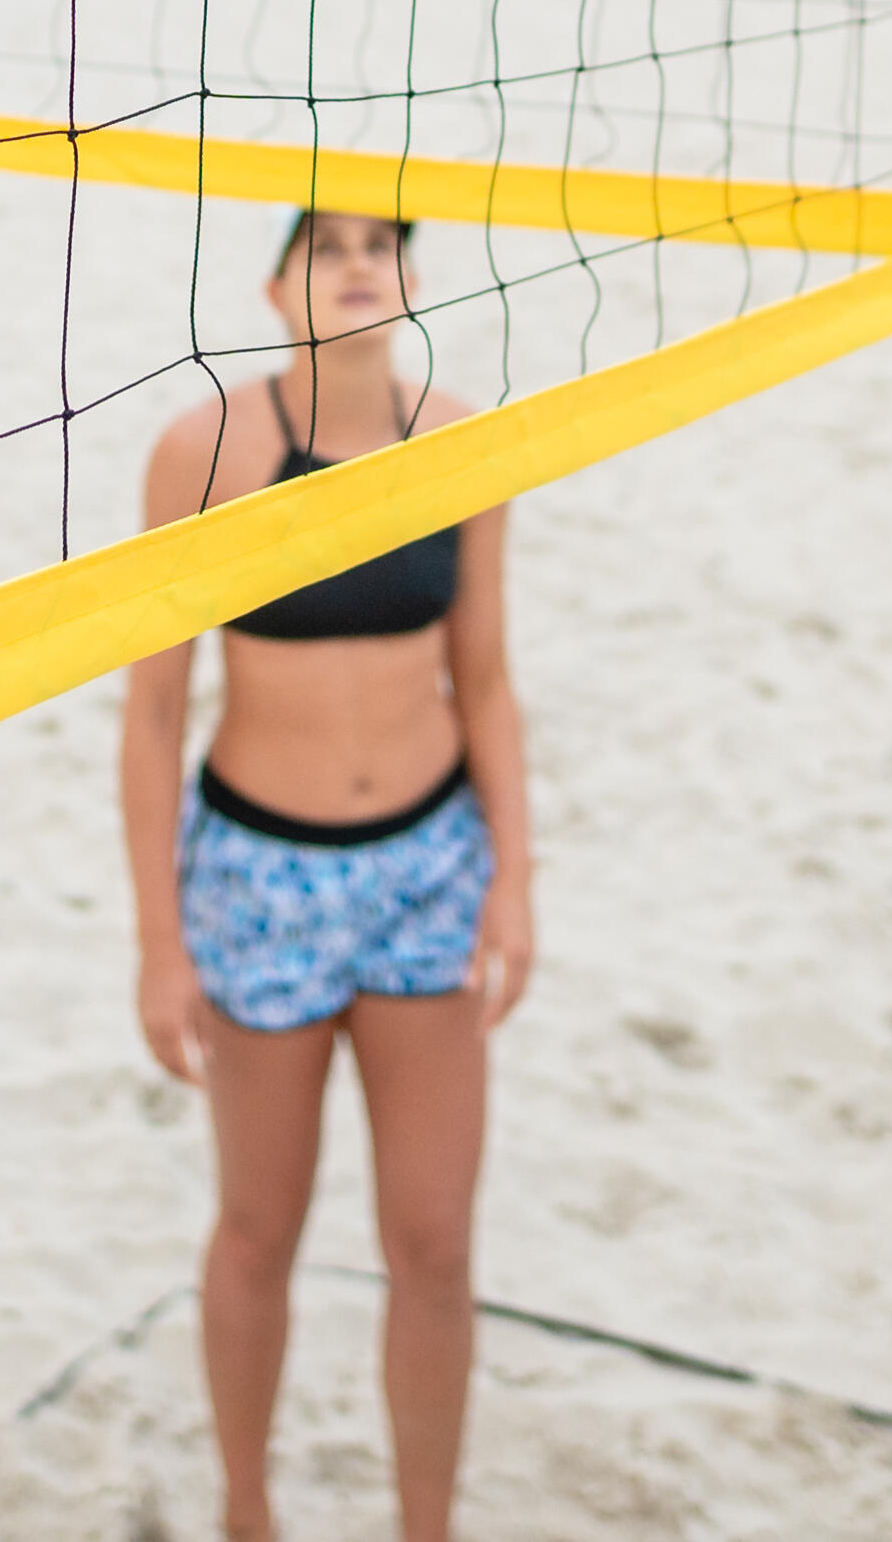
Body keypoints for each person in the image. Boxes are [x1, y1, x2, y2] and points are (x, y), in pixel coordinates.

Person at [121, 208, 533, 1542]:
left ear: (409, 277)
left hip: (425, 863)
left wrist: (513, 880)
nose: (358, 264)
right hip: (259, 878)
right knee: (257, 1232)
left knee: (434, 1242)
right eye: (326, 245)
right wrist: (158, 944)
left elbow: (484, 676)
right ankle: (250, 1515)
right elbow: (152, 713)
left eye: (381, 244)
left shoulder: (462, 439)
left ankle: (430, 1528)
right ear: (274, 285)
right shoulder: (209, 449)